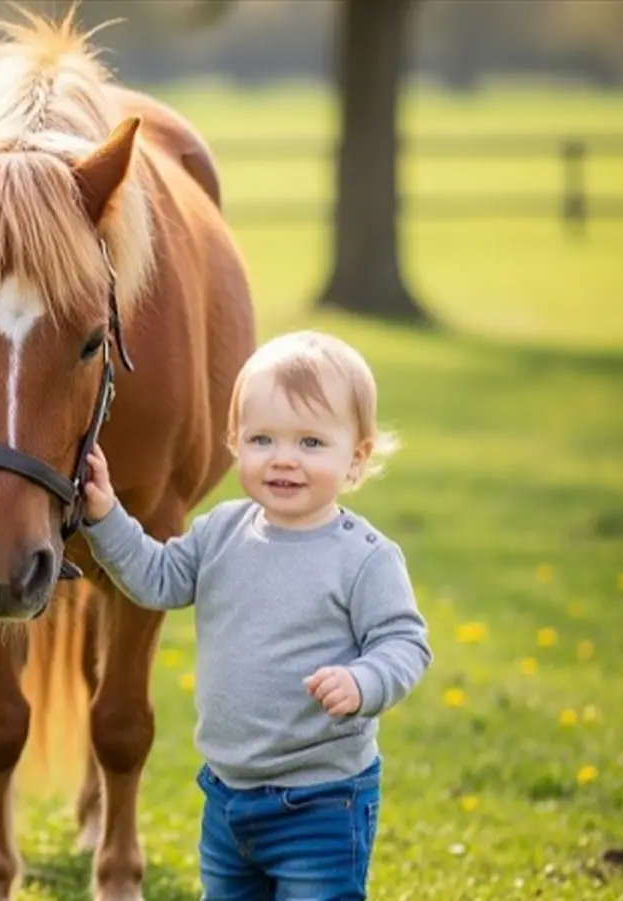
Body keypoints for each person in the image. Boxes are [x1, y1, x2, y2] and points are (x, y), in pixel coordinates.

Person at [80, 330, 432, 901]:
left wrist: (364, 681)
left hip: (322, 802)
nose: (284, 458)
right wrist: (107, 516)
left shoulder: (363, 558)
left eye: (312, 443)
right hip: (228, 796)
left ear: (357, 459)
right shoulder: (221, 532)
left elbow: (405, 643)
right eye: (262, 438)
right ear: (234, 443)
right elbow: (156, 578)